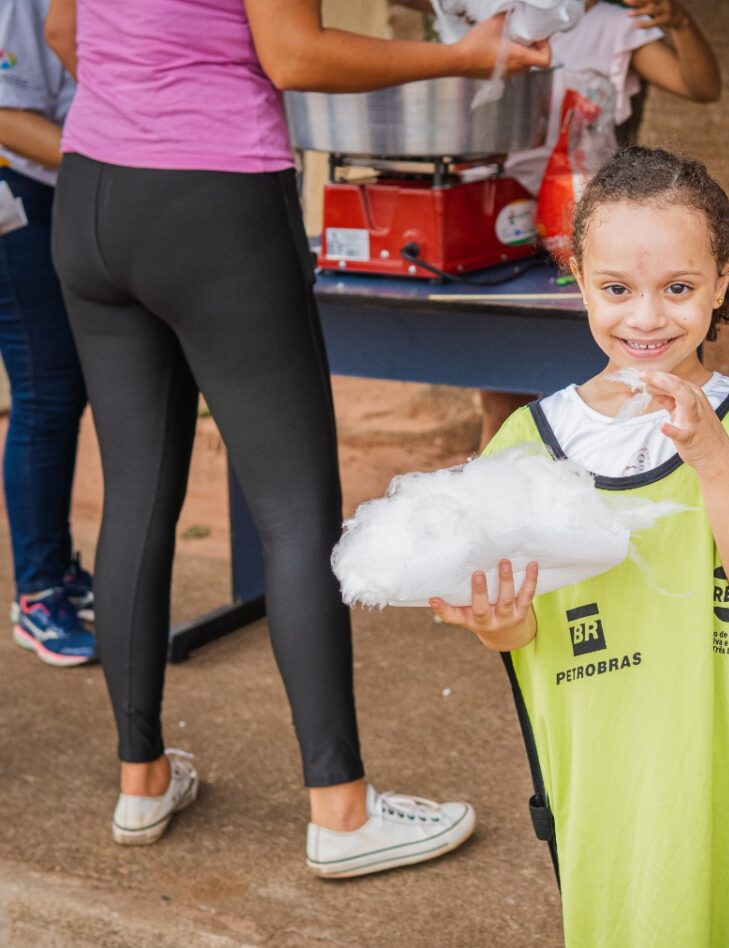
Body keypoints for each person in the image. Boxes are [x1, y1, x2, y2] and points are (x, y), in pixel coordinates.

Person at [44, 0, 548, 875]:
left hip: (93, 189)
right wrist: (464, 57)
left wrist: (144, 112)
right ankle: (342, 813)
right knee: (295, 508)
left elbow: (63, 33)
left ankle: (141, 782)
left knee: (133, 495)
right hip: (214, 197)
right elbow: (294, 55)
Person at [431, 146, 729, 946]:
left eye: (679, 289)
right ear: (577, 276)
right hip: (609, 792)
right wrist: (495, 620)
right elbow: (521, 636)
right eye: (617, 289)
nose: (647, 317)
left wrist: (713, 456)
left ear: (723, 281)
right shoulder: (527, 445)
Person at [460, 0, 723, 447]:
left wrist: (681, 24)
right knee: (502, 392)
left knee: (615, 382)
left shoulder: (612, 25)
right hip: (502, 211)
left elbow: (701, 86)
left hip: (592, 222)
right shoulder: (491, 14)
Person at [0, 0, 94, 667]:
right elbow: (4, 115)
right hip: (18, 192)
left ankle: (55, 570)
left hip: (61, 184)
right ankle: (36, 595)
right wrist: (122, 159)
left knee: (63, 389)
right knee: (44, 390)